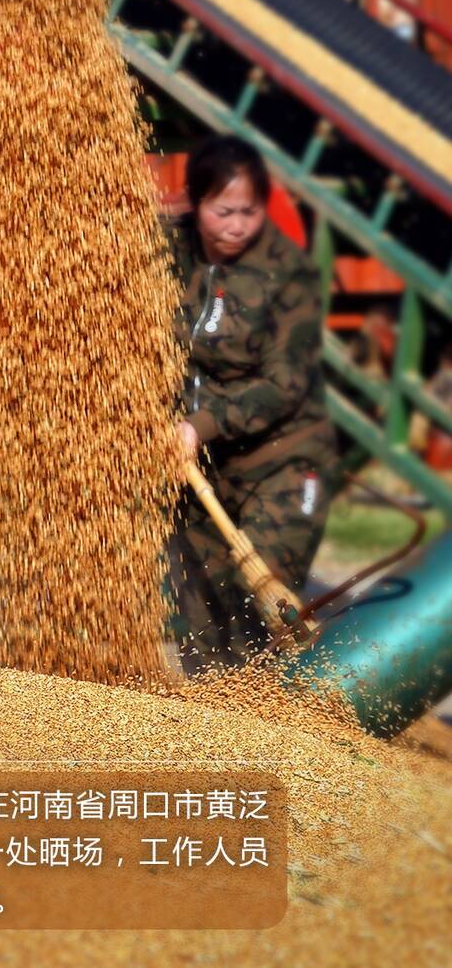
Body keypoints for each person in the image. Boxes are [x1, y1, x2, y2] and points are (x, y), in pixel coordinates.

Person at [162, 135, 336, 675]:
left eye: (249, 212)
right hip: (202, 471)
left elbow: (283, 384)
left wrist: (200, 424)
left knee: (252, 618)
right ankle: (207, 746)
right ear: (195, 201)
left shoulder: (289, 276)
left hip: (282, 460)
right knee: (202, 634)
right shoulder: (163, 248)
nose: (237, 225)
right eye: (223, 211)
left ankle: (272, 740)